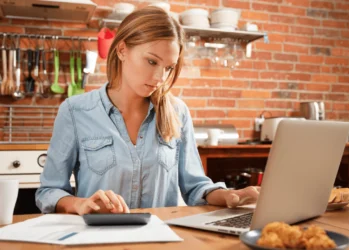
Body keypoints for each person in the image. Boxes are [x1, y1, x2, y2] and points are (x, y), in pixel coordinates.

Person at [35, 7, 260, 215]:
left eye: (168, 68)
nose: (160, 78)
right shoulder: (75, 111)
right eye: (152, 61)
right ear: (122, 50)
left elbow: (196, 187)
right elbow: (49, 191)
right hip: (99, 240)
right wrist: (80, 204)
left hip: (161, 239)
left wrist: (232, 195)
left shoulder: (177, 112)